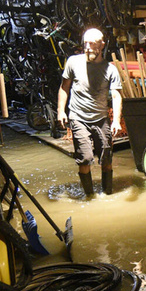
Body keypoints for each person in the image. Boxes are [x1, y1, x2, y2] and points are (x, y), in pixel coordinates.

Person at [57, 27, 123, 196]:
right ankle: (89, 196)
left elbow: (116, 96)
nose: (87, 48)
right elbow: (64, 87)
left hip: (100, 117)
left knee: (106, 158)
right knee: (85, 158)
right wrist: (60, 111)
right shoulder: (73, 62)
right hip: (78, 116)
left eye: (92, 44)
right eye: (85, 43)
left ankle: (107, 193)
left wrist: (116, 120)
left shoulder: (110, 69)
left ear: (102, 45)